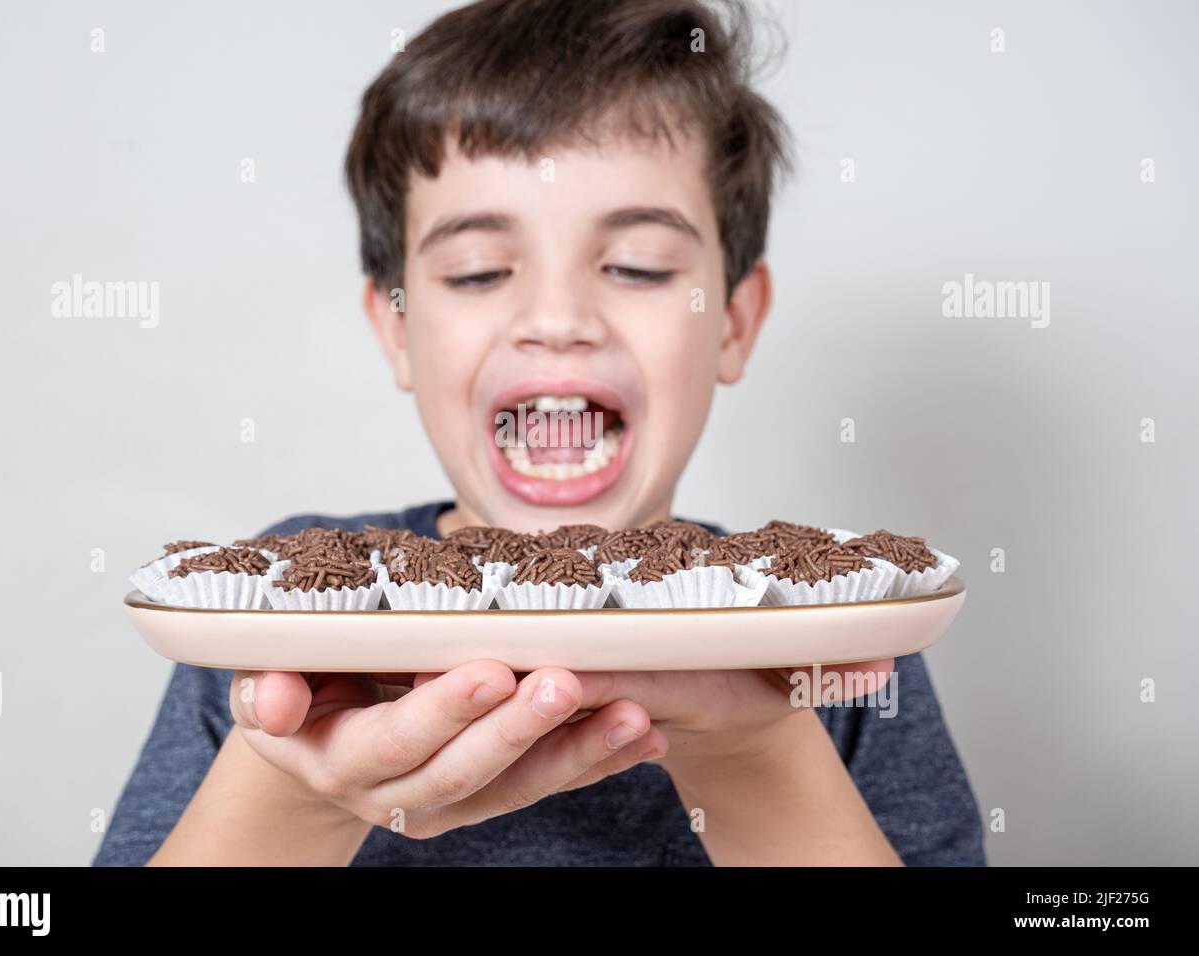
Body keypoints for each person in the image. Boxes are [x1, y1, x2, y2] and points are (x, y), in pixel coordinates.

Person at [95, 0, 984, 866]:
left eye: (637, 266)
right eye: (479, 272)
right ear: (396, 326)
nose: (557, 319)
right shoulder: (279, 622)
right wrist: (292, 794)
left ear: (735, 323)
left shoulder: (830, 637)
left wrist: (757, 756)